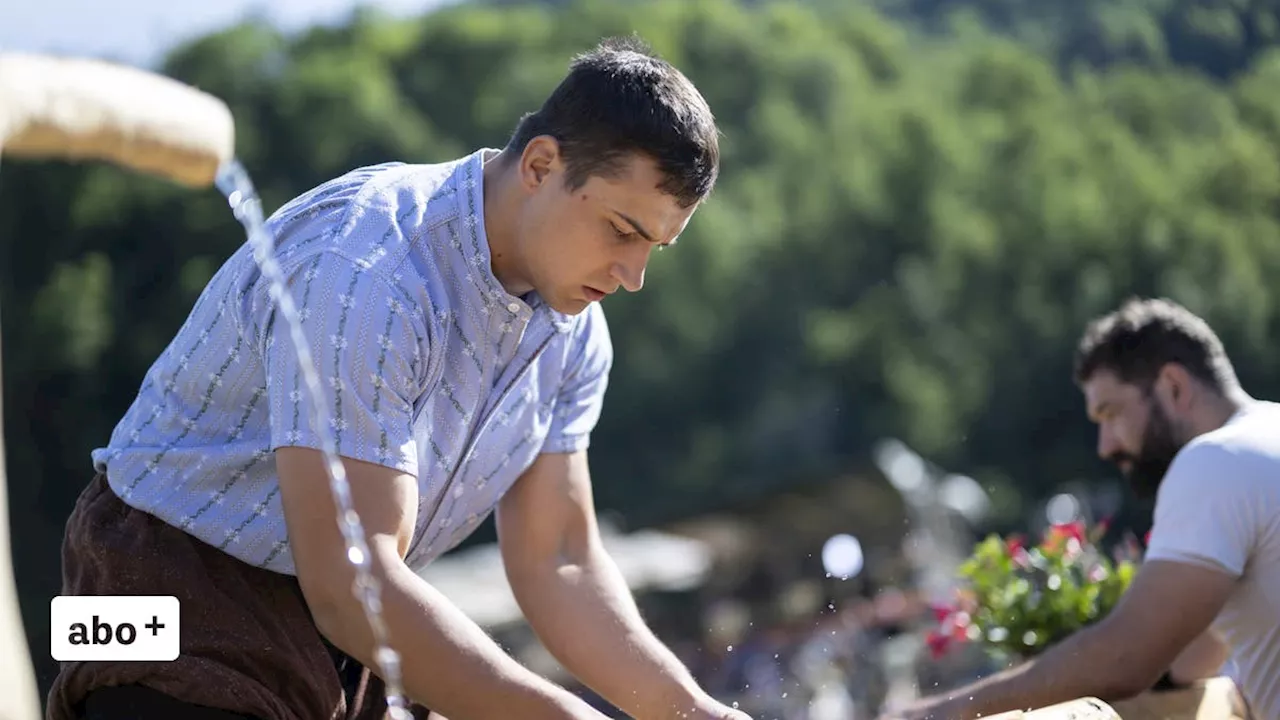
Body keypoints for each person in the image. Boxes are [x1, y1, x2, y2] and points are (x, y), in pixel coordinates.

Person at [48, 36, 751, 720]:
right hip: (157, 583)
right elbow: (352, 586)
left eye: (656, 247)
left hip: (353, 617)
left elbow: (559, 561)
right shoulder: (369, 269)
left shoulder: (574, 330)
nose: (634, 277)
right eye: (623, 231)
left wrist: (690, 713)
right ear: (540, 166)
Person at [886, 297, 1280, 720]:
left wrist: (945, 711)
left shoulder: (1217, 460)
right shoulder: (1265, 439)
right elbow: (1189, 659)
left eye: (1111, 413)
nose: (1105, 445)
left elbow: (1128, 656)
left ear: (1173, 386)